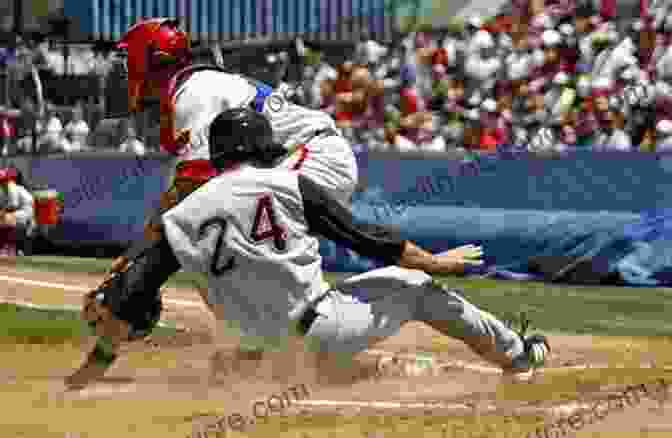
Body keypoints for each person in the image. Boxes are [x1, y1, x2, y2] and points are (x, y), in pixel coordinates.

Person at [68, 108, 551, 389]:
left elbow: (133, 292)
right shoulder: (289, 184)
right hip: (319, 331)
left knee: (257, 346)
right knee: (419, 289)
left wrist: (97, 364)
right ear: (262, 145)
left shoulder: (182, 214)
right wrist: (432, 261)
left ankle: (272, 367)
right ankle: (519, 357)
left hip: (258, 348)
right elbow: (368, 240)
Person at [105, 18, 357, 274]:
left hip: (313, 155)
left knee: (228, 238)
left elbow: (190, 185)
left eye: (129, 60)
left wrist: (139, 255)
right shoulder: (191, 90)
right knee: (240, 260)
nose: (123, 72)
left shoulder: (193, 92)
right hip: (299, 160)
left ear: (153, 60)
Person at [0, 168, 34, 256]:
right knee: (4, 218)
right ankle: (9, 248)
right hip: (21, 212)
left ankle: (8, 249)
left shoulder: (10, 186)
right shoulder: (4, 188)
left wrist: (2, 212)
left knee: (5, 218)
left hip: (26, 212)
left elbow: (13, 205)